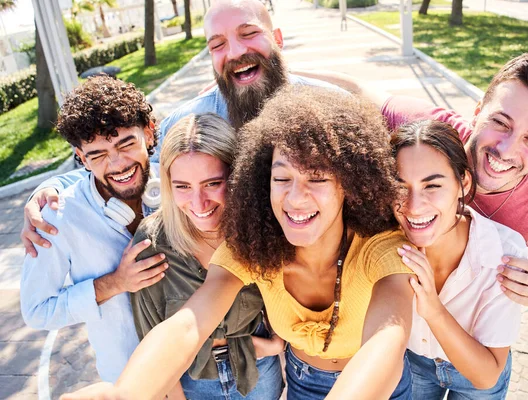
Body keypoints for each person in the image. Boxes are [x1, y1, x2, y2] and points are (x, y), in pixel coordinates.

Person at [63, 86, 415, 400]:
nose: (296, 197)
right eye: (282, 177)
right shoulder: (252, 246)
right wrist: (125, 393)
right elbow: (189, 323)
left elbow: (387, 340)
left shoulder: (380, 247)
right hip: (303, 382)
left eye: (318, 177)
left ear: (350, 183)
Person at [21, 0, 337, 258]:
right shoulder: (189, 121)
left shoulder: (331, 107)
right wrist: (54, 187)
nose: (236, 52)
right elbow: (134, 165)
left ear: (277, 39)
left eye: (249, 33)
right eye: (218, 44)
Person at [295, 53, 528, 306]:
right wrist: (280, 64)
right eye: (501, 123)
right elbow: (355, 89)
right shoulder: (425, 133)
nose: (506, 150)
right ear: (478, 112)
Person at [20, 76, 168, 382]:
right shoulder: (58, 216)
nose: (117, 164)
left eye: (126, 143)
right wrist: (112, 284)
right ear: (80, 158)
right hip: (131, 381)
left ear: (150, 133)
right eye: (97, 154)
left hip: (203, 373)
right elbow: (36, 310)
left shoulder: (180, 183)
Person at [130, 113, 284, 399]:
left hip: (258, 374)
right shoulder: (153, 242)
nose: (198, 203)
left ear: (237, 175)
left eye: (213, 183)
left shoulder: (259, 228)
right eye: (183, 187)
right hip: (193, 383)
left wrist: (273, 346)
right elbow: (151, 338)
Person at [392, 120, 528, 398]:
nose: (414, 206)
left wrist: (433, 309)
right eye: (400, 186)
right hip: (413, 362)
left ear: (463, 182)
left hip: (477, 364)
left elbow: (486, 376)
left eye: (432, 186)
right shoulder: (384, 241)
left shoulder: (505, 252)